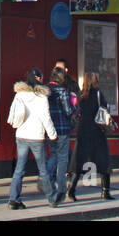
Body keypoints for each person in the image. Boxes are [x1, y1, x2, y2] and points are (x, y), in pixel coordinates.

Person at [7, 68, 56, 210]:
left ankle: (13, 199)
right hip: (36, 137)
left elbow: (13, 112)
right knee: (43, 170)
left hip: (21, 135)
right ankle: (52, 199)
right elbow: (46, 118)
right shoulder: (41, 97)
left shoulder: (19, 94)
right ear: (39, 79)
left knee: (19, 169)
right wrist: (52, 134)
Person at [67, 71, 113, 200]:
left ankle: (71, 190)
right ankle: (105, 191)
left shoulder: (80, 95)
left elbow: (75, 110)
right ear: (95, 81)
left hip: (83, 131)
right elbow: (105, 109)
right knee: (104, 160)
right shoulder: (98, 94)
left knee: (79, 161)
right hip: (97, 131)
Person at [45, 68, 77, 207]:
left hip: (49, 128)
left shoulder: (45, 90)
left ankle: (48, 179)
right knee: (62, 158)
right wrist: (75, 107)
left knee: (53, 154)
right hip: (63, 128)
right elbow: (68, 111)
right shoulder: (62, 91)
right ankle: (61, 190)